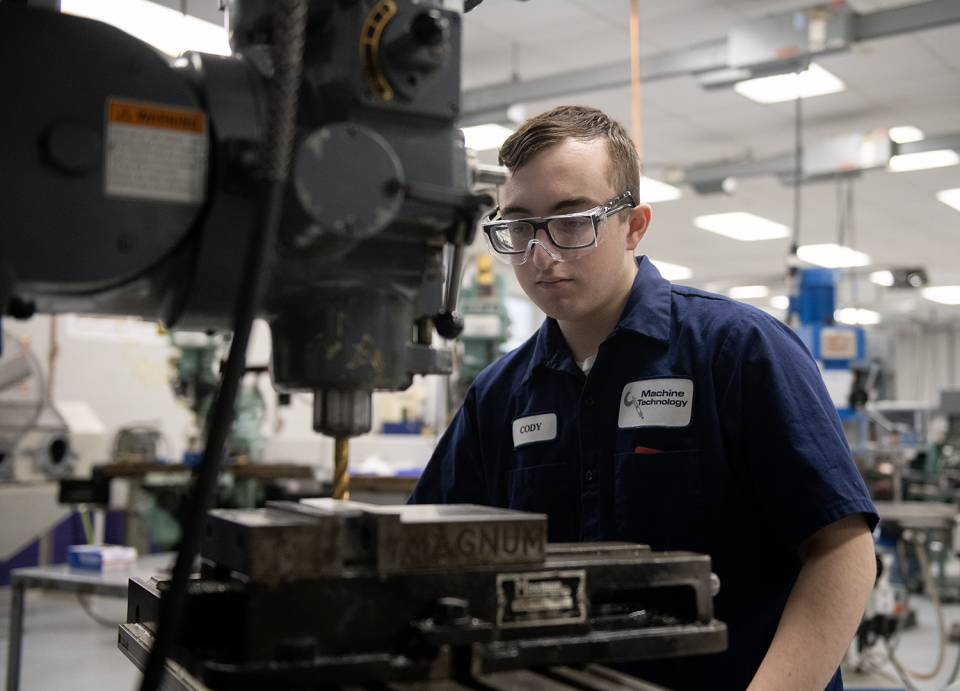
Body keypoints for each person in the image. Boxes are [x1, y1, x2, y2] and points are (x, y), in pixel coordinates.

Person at [409, 105, 878, 691]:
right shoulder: (499, 396)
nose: (541, 253)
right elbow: (434, 553)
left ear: (634, 225)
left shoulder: (737, 351)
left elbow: (842, 551)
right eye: (520, 225)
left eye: (572, 220)